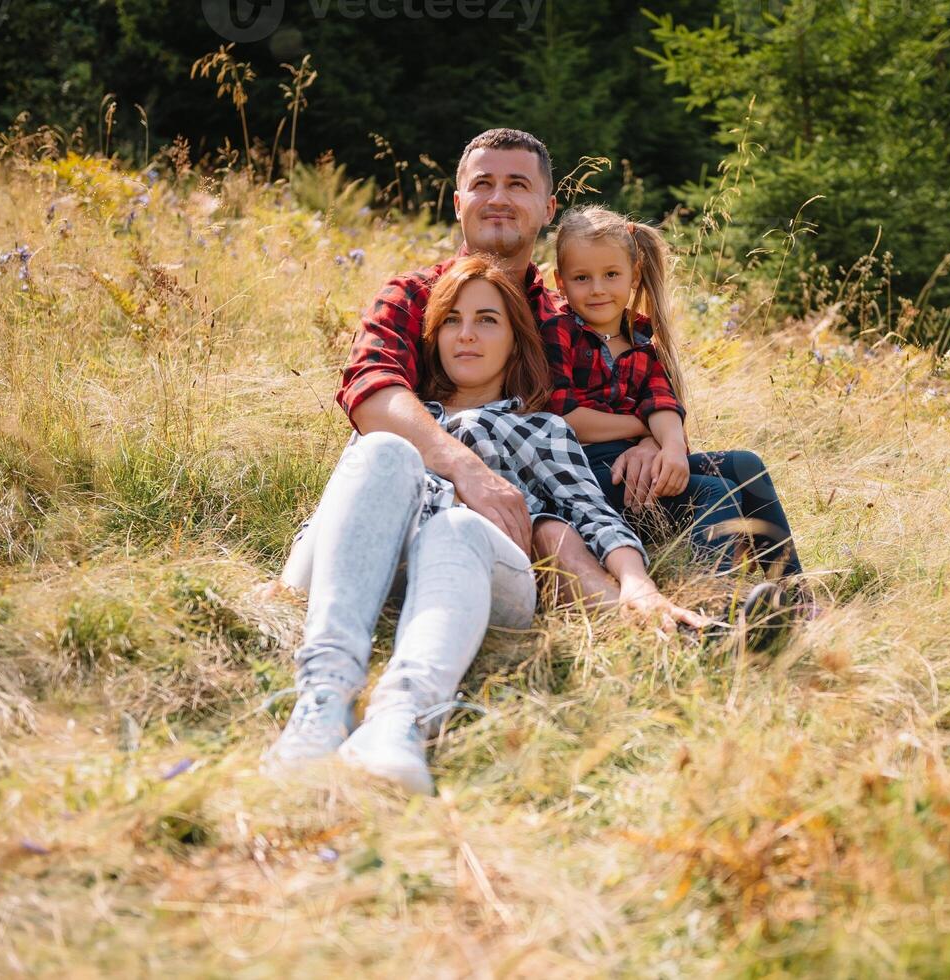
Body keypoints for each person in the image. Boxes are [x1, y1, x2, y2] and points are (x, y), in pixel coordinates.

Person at [264, 255, 708, 794]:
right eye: (452, 320)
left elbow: (592, 513)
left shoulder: (539, 427)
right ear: (434, 337)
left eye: (487, 320)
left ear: (515, 340)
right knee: (383, 449)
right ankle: (321, 703)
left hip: (471, 575)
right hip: (366, 565)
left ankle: (399, 721)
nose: (467, 335)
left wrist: (638, 585)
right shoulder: (402, 416)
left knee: (458, 528)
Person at [337, 128, 665, 609]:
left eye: (517, 185)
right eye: (483, 184)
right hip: (440, 497)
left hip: (568, 485)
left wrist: (655, 438)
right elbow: (370, 388)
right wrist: (464, 467)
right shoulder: (413, 294)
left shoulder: (566, 314)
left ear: (549, 208)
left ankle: (747, 609)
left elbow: (630, 382)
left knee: (714, 482)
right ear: (457, 202)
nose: (498, 199)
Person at [544, 204, 805, 587]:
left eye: (611, 274)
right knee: (713, 492)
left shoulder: (642, 341)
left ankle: (794, 591)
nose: (597, 288)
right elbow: (565, 418)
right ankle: (712, 600)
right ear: (561, 282)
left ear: (634, 276)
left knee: (745, 465)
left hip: (639, 468)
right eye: (582, 277)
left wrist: (669, 449)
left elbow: (662, 402)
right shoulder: (560, 332)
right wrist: (641, 428)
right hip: (588, 478)